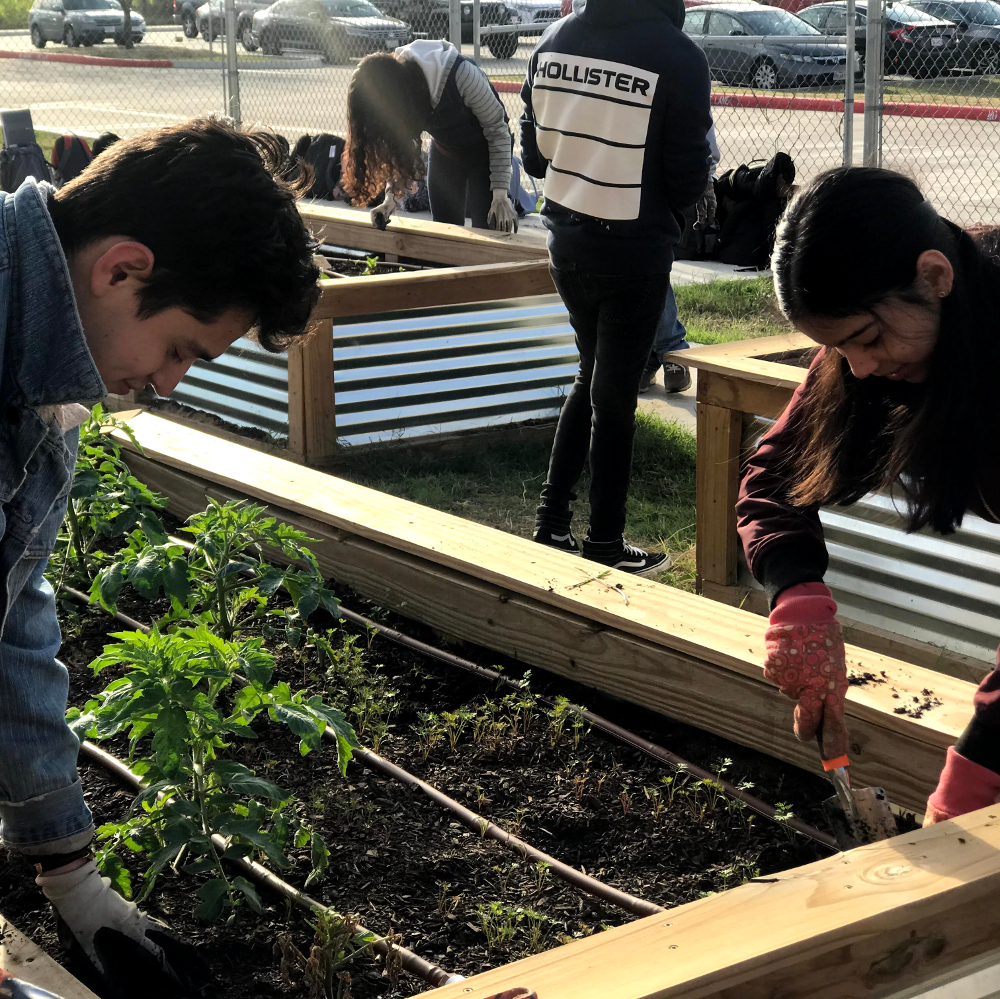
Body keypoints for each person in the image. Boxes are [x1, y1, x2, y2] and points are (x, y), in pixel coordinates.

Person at [0, 117, 319, 996]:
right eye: (181, 348)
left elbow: (12, 614)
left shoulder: (46, 362)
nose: (171, 381)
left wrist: (70, 874)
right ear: (121, 268)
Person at [736, 165, 1000, 822]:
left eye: (867, 340)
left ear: (935, 276)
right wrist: (798, 594)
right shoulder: (882, 329)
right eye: (837, 348)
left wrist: (975, 770)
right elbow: (775, 478)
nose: (860, 368)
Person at [520, 0, 713, 575]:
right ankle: (603, 543)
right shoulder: (678, 55)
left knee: (592, 375)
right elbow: (687, 176)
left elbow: (533, 157)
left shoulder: (552, 39)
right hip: (633, 252)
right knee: (616, 397)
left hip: (566, 243)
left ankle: (551, 523)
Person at [343, 39, 518, 233]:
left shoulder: (462, 75)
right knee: (444, 233)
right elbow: (399, 143)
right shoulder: (399, 84)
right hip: (446, 153)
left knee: (488, 234)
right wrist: (390, 199)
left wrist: (500, 194)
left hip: (486, 155)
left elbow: (498, 130)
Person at [640, 123, 721, 396]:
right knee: (636, 268)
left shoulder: (682, 77)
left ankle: (668, 352)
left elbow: (699, 119)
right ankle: (659, 354)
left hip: (659, 177)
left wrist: (705, 177)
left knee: (651, 262)